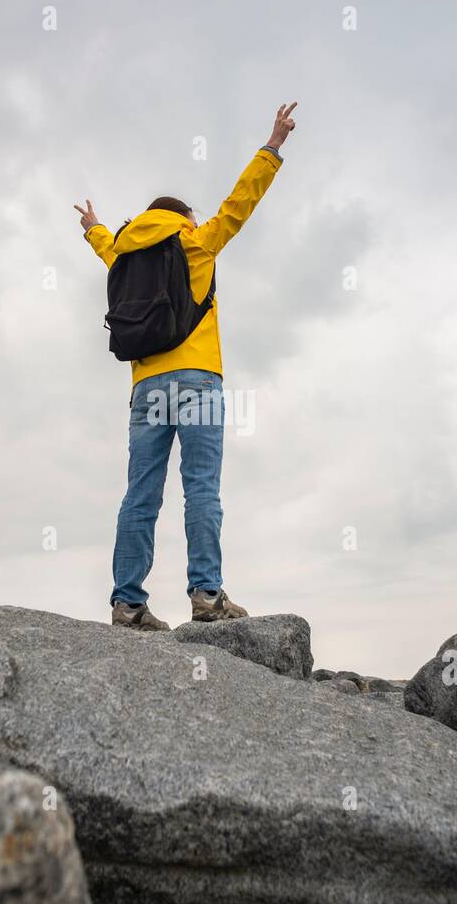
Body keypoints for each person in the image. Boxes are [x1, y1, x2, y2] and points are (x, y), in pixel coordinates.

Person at [75, 102, 297, 630]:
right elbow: (239, 205)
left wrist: (93, 227)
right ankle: (205, 595)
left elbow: (106, 247)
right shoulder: (194, 243)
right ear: (183, 219)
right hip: (197, 382)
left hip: (147, 385)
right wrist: (272, 147)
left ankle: (127, 603)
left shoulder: (128, 254)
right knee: (200, 487)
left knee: (140, 494)